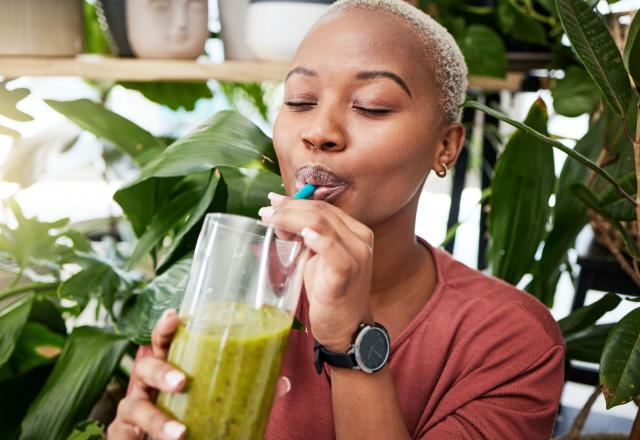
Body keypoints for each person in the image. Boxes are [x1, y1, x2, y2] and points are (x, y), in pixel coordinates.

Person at [107, 0, 566, 438]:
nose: (319, 132)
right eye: (300, 101)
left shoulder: (510, 341)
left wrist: (352, 342)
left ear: (445, 146)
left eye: (371, 106)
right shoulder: (217, 287)